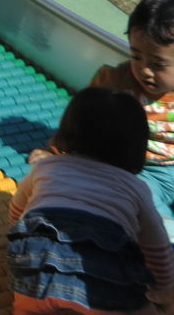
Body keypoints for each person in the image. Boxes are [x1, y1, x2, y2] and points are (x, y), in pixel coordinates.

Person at [9, 86, 174, 315]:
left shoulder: (46, 167)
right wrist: (165, 287)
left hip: (37, 270)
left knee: (31, 307)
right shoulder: (136, 187)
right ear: (136, 148)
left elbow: (18, 211)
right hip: (102, 284)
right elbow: (156, 246)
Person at [77, 0, 174, 239]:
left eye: (158, 64)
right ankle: (167, 236)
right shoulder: (118, 82)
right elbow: (83, 117)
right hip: (143, 169)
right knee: (138, 199)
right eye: (135, 56)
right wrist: (59, 150)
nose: (144, 70)